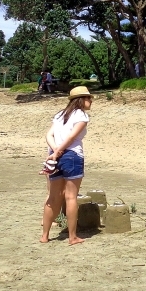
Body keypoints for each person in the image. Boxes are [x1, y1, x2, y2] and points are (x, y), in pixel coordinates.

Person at [40, 86, 93, 245]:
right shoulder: (82, 116)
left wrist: (55, 150)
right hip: (71, 155)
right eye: (89, 98)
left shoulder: (59, 115)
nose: (91, 101)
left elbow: (49, 135)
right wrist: (59, 151)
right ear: (81, 99)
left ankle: (44, 236)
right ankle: (72, 237)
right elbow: (72, 137)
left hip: (55, 155)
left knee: (53, 196)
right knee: (71, 197)